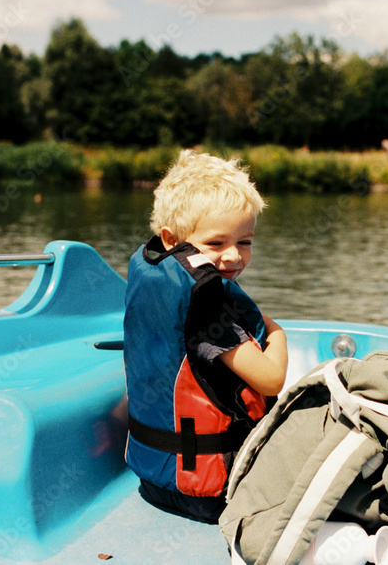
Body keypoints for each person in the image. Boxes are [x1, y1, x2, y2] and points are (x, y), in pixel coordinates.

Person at [123, 149, 288, 522]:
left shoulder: (156, 275)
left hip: (153, 482)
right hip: (213, 494)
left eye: (245, 242)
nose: (234, 256)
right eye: (217, 244)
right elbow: (271, 378)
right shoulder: (211, 308)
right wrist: (277, 334)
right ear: (171, 239)